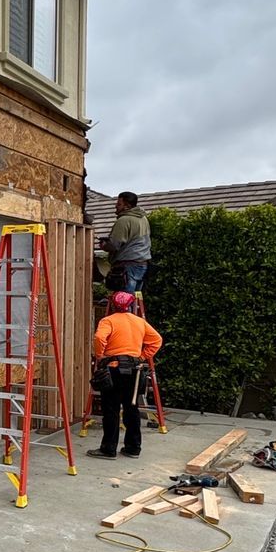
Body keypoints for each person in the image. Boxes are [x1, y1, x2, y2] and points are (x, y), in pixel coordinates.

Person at [86, 292, 163, 459]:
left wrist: (100, 355)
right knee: (132, 409)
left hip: (113, 369)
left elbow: (99, 337)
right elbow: (157, 340)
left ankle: (108, 449)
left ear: (113, 305)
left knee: (111, 410)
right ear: (129, 306)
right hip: (135, 371)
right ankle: (133, 448)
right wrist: (142, 356)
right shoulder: (139, 322)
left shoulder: (108, 321)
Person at [100, 191, 151, 292]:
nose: (116, 206)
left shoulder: (124, 220)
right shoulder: (143, 218)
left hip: (128, 265)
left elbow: (114, 245)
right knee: (133, 299)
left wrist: (104, 245)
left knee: (124, 301)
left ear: (127, 206)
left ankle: (127, 308)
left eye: (119, 204)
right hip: (142, 264)